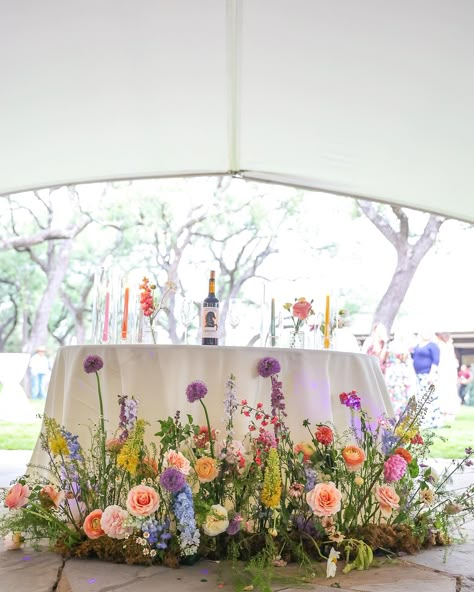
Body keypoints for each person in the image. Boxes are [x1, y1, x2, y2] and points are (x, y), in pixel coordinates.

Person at [384, 332, 417, 418]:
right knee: (395, 395)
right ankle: (395, 415)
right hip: (395, 375)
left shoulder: (404, 347)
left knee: (402, 395)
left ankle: (400, 415)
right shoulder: (391, 346)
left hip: (401, 375)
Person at [411, 330, 440, 426]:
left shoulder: (433, 346)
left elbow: (436, 361)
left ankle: (433, 421)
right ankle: (423, 420)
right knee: (421, 397)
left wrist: (431, 374)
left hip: (428, 375)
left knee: (429, 397)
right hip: (418, 375)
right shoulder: (417, 346)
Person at [434, 332, 460, 422]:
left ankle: (449, 413)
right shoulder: (442, 345)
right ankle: (445, 412)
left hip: (447, 372)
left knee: (448, 392)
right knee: (445, 392)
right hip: (444, 372)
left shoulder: (445, 346)